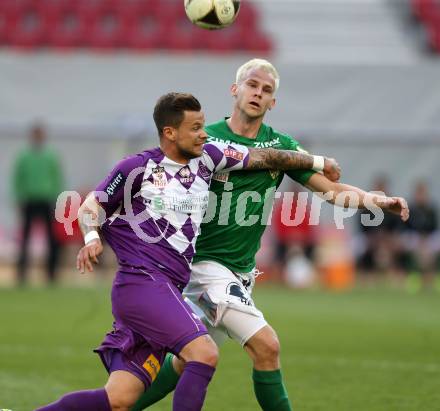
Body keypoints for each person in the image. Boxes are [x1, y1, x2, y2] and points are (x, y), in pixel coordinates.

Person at [35, 92, 340, 411]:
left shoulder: (209, 157)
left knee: (120, 400)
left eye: (203, 126)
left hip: (167, 289)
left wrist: (318, 162)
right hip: (143, 284)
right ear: (170, 133)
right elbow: (89, 207)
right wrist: (91, 238)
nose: (204, 133)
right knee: (204, 353)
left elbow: (268, 158)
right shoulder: (137, 168)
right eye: (194, 128)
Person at [133, 60, 410, 411]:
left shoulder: (281, 146)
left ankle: (117, 406)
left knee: (186, 361)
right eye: (251, 85)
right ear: (235, 90)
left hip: (240, 272)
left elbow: (333, 191)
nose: (258, 93)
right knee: (267, 347)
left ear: (272, 103)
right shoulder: (206, 138)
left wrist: (378, 201)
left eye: (266, 91)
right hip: (203, 267)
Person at [12, 122, 64, 285]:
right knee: (25, 239)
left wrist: (58, 199)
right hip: (29, 199)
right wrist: (19, 197)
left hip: (47, 199)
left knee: (52, 239)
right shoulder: (24, 157)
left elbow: (57, 178)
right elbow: (17, 178)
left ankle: (51, 274)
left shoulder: (51, 156)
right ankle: (22, 274)